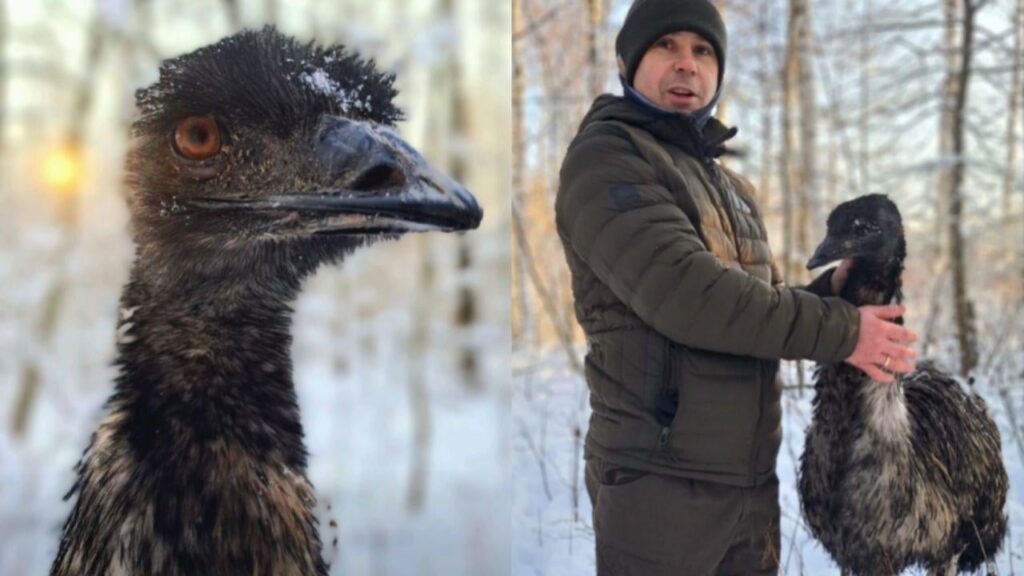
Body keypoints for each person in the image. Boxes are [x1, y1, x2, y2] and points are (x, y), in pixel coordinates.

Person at [553, 0, 918, 574]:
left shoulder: (730, 188)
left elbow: (758, 308)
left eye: (703, 51)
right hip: (662, 488)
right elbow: (691, 296)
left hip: (748, 486)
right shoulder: (607, 159)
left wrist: (836, 293)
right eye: (666, 46)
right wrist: (844, 331)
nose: (687, 65)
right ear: (628, 63)